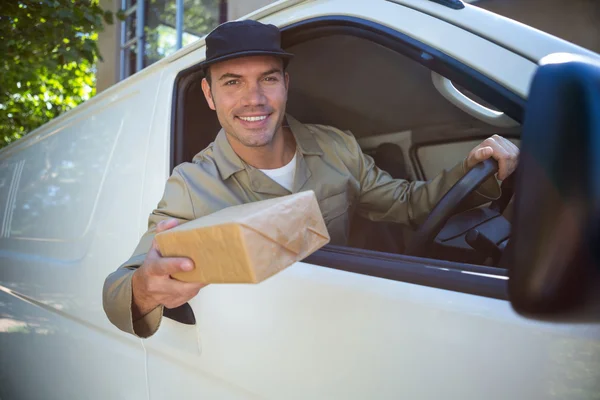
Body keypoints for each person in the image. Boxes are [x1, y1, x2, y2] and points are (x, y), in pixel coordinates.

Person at [103, 20, 519, 338]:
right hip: (271, 345)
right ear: (211, 96)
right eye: (232, 82)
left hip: (360, 324)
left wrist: (472, 169)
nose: (254, 99)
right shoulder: (192, 185)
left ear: (285, 84)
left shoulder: (337, 146)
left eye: (267, 78)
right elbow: (119, 290)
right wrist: (145, 287)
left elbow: (409, 204)